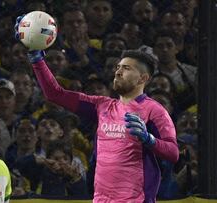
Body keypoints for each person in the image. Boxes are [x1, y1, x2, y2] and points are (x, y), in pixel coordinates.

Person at [15, 17, 179, 202]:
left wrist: (148, 139)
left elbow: (173, 153)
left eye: (126, 69)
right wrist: (37, 60)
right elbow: (55, 94)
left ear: (143, 78)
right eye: (118, 67)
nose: (118, 72)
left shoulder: (155, 111)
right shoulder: (101, 106)